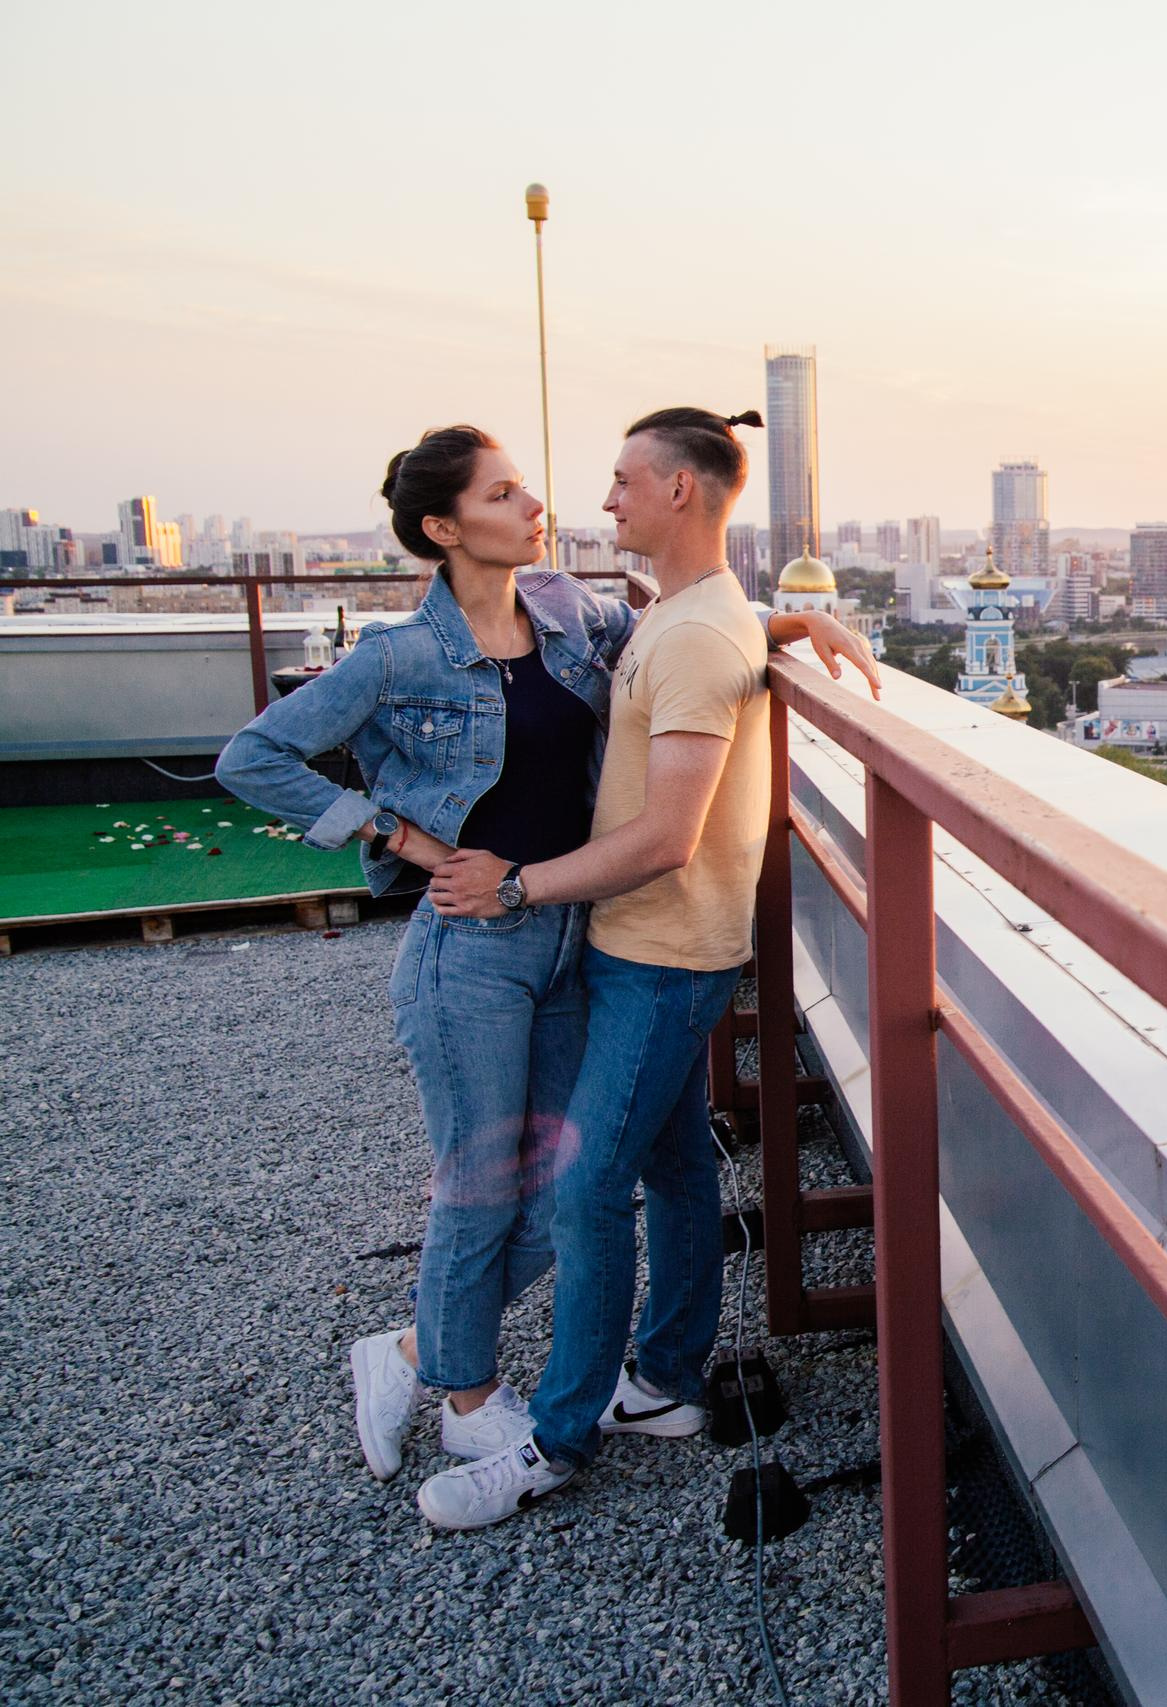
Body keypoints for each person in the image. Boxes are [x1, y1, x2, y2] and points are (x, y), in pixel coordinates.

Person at [215, 422, 875, 1488]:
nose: (538, 507)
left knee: (558, 1187)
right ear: (443, 529)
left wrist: (793, 618)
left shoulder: (569, 612)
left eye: (526, 487)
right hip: (471, 947)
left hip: (568, 933)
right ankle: (469, 1398)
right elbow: (253, 756)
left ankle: (411, 1351)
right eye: (503, 495)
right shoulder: (398, 654)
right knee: (484, 1184)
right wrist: (398, 835)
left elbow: (694, 627)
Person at [415, 407, 881, 1529]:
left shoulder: (695, 638)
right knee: (673, 1169)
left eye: (625, 480)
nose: (605, 499)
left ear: (680, 490)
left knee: (585, 1190)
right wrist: (792, 619)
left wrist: (515, 886)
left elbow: (669, 837)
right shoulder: (684, 616)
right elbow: (717, 635)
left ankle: (557, 1438)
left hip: (664, 955)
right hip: (648, 948)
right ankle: (665, 1379)